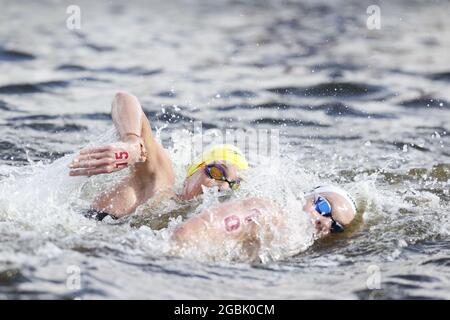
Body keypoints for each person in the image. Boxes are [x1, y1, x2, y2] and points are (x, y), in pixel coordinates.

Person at [68, 91, 248, 220]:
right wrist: (132, 142)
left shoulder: (203, 226)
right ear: (193, 172)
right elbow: (124, 98)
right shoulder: (161, 181)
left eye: (234, 185)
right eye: (217, 173)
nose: (223, 188)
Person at [171, 185, 357, 254]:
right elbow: (185, 234)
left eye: (336, 226)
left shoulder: (293, 246)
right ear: (306, 197)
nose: (324, 222)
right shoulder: (266, 213)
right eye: (323, 207)